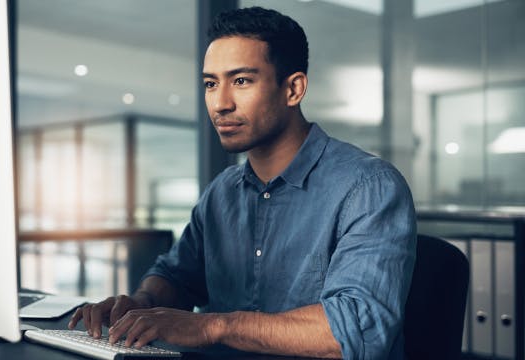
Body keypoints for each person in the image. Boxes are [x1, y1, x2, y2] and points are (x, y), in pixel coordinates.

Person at [69, 7, 416, 359]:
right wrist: (140, 304)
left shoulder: (369, 187)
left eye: (241, 81)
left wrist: (212, 325)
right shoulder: (222, 191)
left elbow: (357, 329)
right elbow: (176, 276)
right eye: (210, 84)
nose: (220, 103)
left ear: (293, 89)